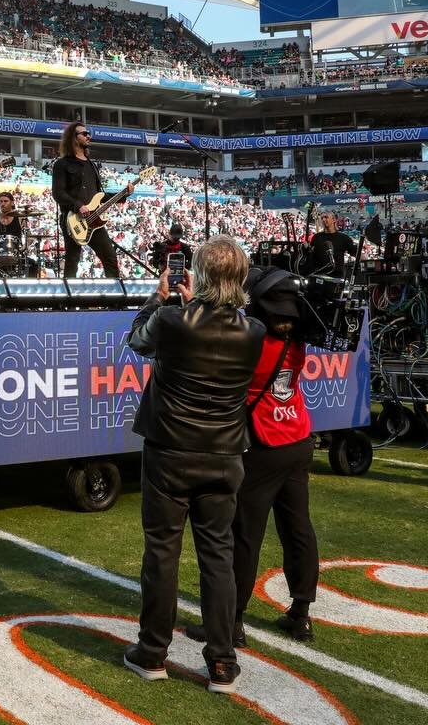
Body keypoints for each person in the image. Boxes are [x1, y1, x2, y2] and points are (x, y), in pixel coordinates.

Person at [123, 236, 266, 693]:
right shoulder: (254, 330)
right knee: (218, 556)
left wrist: (159, 298)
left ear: (199, 275)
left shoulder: (172, 319)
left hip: (170, 451)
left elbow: (137, 340)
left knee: (162, 552)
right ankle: (222, 661)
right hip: (224, 454)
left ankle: (152, 651)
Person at [187, 268, 320, 649]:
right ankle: (301, 613)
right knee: (298, 528)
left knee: (245, 536)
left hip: (263, 444)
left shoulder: (255, 343)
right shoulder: (298, 338)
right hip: (297, 436)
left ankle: (232, 620)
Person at [51, 122, 125, 278]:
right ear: (73, 138)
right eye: (84, 134)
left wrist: (124, 194)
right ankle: (68, 293)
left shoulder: (92, 165)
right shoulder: (61, 164)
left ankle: (115, 293)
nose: (88, 136)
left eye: (88, 133)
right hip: (73, 219)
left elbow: (100, 195)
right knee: (72, 260)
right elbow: (58, 193)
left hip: (94, 219)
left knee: (110, 257)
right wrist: (78, 205)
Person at [306, 212, 359, 277]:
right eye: (322, 218)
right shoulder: (316, 237)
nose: (323, 219)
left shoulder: (344, 238)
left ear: (334, 220)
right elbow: (311, 255)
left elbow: (356, 253)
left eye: (326, 217)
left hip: (336, 277)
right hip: (319, 275)